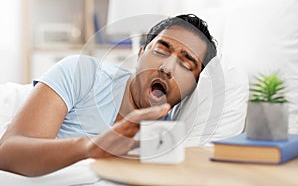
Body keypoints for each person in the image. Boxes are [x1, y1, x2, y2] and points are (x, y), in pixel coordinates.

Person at [0, 14, 217, 177]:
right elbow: (8, 153)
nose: (167, 68)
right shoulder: (82, 72)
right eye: (161, 50)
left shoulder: (169, 137)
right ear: (140, 53)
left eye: (186, 63)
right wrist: (91, 147)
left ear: (194, 86)